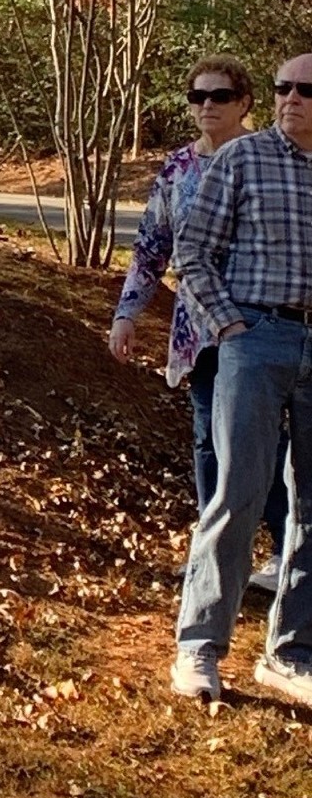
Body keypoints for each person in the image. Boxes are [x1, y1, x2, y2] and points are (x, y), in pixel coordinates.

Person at [109, 55, 287, 592]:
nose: (207, 106)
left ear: (246, 103)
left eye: (220, 97)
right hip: (201, 328)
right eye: (198, 97)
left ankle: (284, 553)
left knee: (273, 443)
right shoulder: (178, 170)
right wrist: (127, 314)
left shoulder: (275, 160)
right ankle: (212, 555)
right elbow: (151, 247)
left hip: (266, 321)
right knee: (210, 438)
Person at [172, 51, 312, 704]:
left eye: (304, 90)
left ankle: (289, 653)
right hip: (256, 339)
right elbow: (191, 252)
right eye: (282, 87)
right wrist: (231, 326)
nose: (290, 98)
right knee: (238, 495)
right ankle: (198, 648)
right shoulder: (242, 159)